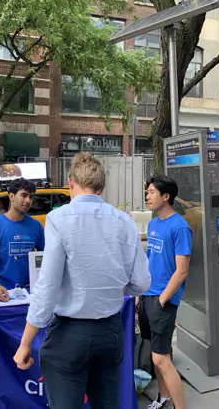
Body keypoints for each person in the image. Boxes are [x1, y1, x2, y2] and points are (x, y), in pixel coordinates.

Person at [13, 152, 151, 409]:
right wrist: (116, 288)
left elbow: (48, 286)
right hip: (110, 331)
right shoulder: (124, 221)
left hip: (69, 334)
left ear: (70, 182)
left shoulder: (58, 218)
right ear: (102, 187)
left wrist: (25, 343)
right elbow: (141, 282)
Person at [138, 175, 192, 409]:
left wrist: (161, 299)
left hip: (163, 300)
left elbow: (181, 271)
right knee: (156, 356)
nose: (147, 196)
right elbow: (151, 259)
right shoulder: (153, 223)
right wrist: (141, 292)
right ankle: (163, 398)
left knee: (162, 358)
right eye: (147, 191)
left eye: (151, 192)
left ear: (166, 196)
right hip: (148, 295)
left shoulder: (180, 226)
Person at [0, 177, 45, 300]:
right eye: (23, 195)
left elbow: (45, 257)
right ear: (11, 197)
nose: (28, 200)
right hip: (2, 292)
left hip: (29, 292)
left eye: (31, 197)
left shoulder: (36, 226)